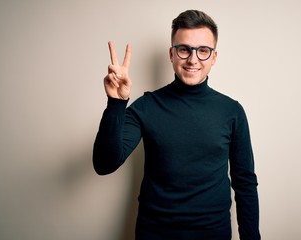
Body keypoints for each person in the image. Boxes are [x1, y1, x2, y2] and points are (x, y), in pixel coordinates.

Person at [93, 9, 260, 240]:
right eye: (184, 50)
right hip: (155, 233)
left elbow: (245, 184)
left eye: (203, 51)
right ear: (172, 54)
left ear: (214, 57)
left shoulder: (232, 111)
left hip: (213, 234)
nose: (193, 59)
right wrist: (116, 102)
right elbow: (104, 164)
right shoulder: (146, 106)